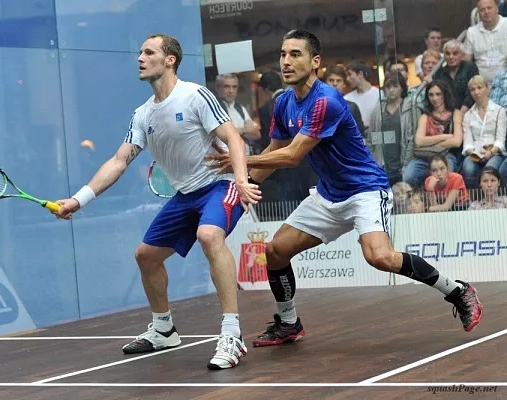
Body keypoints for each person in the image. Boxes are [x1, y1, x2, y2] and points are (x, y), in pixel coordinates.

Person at [206, 29, 484, 348]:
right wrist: (244, 184)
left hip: (365, 190)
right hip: (329, 194)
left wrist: (240, 157)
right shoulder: (283, 104)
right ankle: (288, 322)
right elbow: (274, 152)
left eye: (295, 54)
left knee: (380, 257)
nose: (286, 61)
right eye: (283, 54)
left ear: (315, 62)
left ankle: (458, 291)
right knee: (275, 251)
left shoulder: (326, 101)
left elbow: (294, 155)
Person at [53, 33, 261, 370]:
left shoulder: (195, 95)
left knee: (209, 236)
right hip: (185, 195)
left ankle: (231, 333)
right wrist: (80, 199)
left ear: (170, 60)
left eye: (149, 52)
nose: (140, 58)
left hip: (219, 185)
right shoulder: (143, 114)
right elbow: (119, 160)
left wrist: (240, 178)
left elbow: (233, 137)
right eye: (140, 52)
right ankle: (164, 329)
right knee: (146, 256)